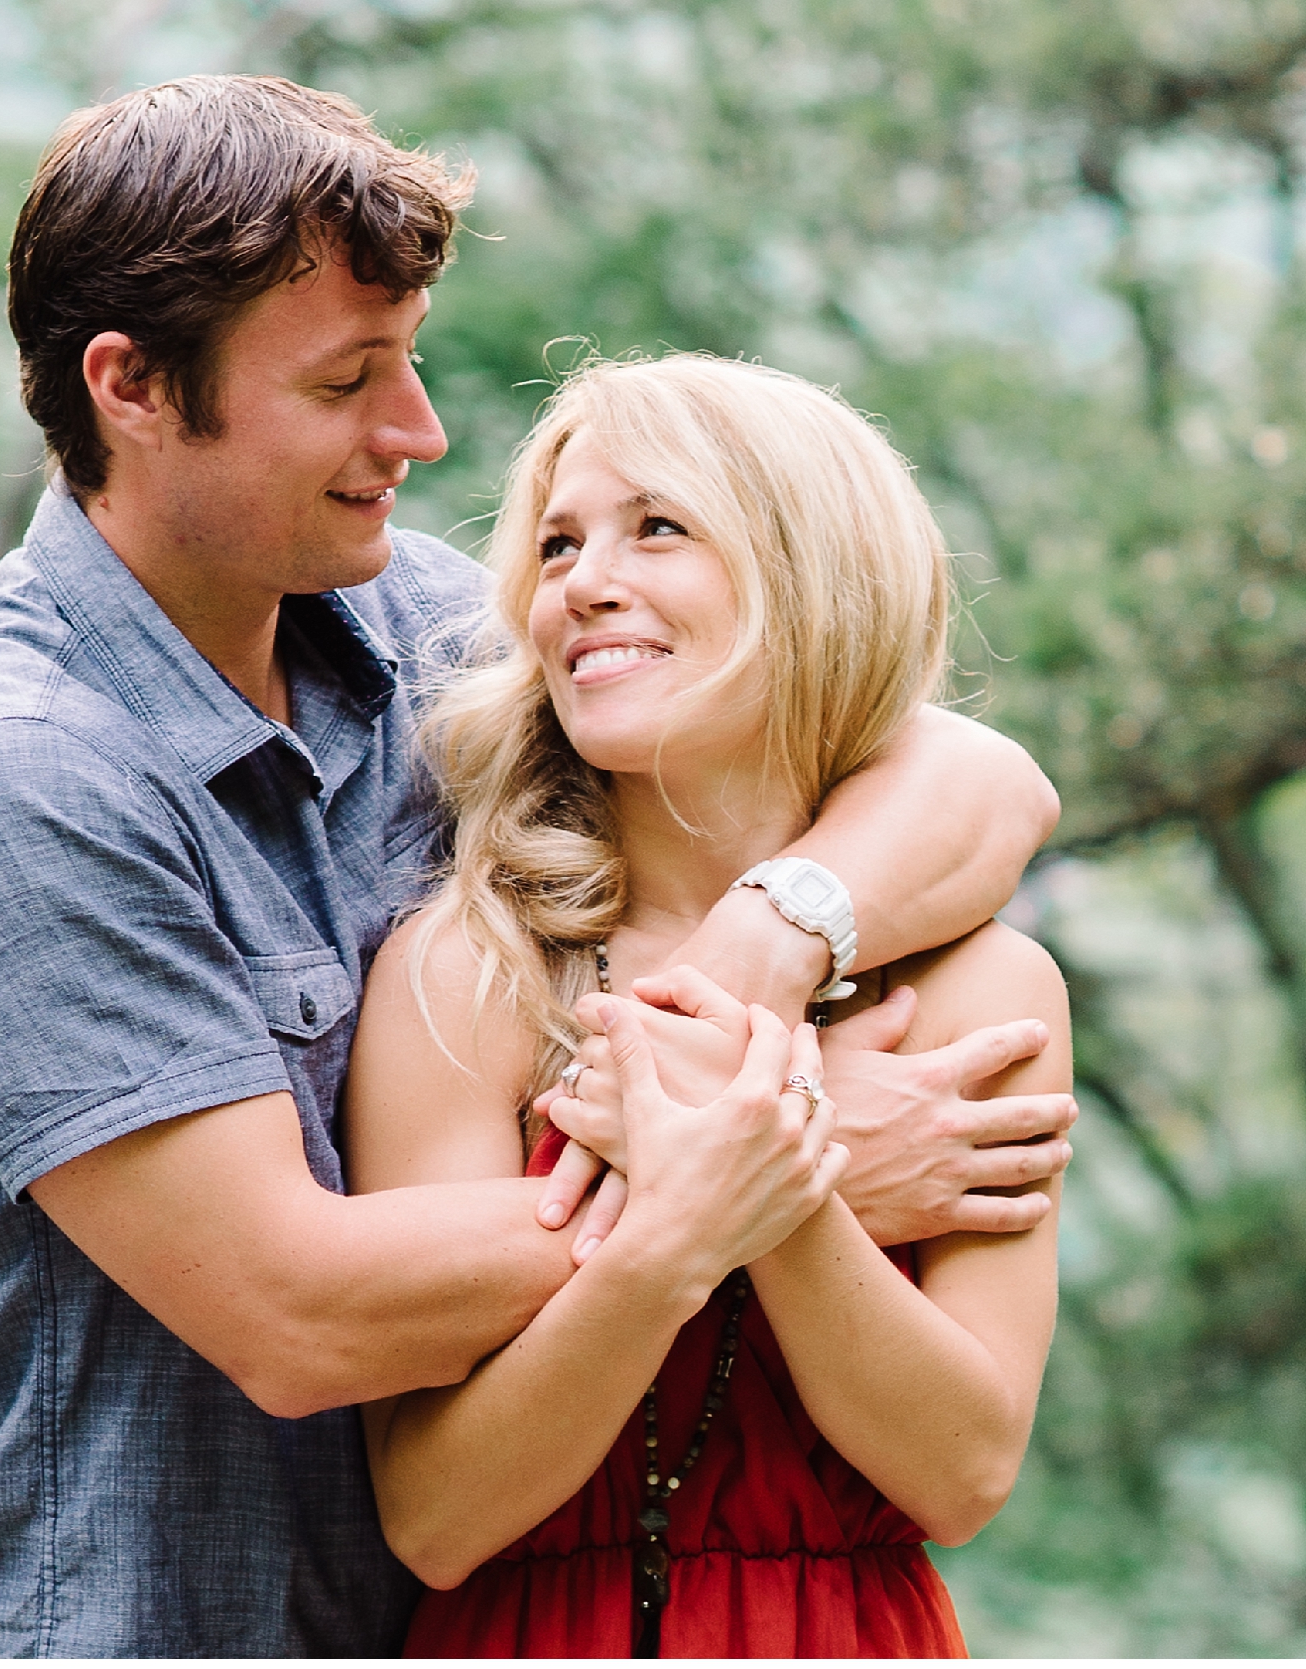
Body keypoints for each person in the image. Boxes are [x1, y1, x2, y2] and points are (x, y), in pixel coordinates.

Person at [0, 75, 1070, 1658]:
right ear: (132, 385)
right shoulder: (12, 781)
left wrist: (767, 950)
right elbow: (301, 1312)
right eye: (350, 380)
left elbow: (968, 775)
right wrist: (781, 1155)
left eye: (408, 364)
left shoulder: (413, 632)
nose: (416, 434)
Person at [345, 354, 1070, 1658]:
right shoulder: (464, 974)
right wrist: (672, 1238)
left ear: (812, 572)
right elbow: (434, 1515)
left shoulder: (984, 989)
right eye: (558, 543)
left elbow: (960, 1472)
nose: (582, 581)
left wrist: (770, 1179)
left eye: (656, 526)